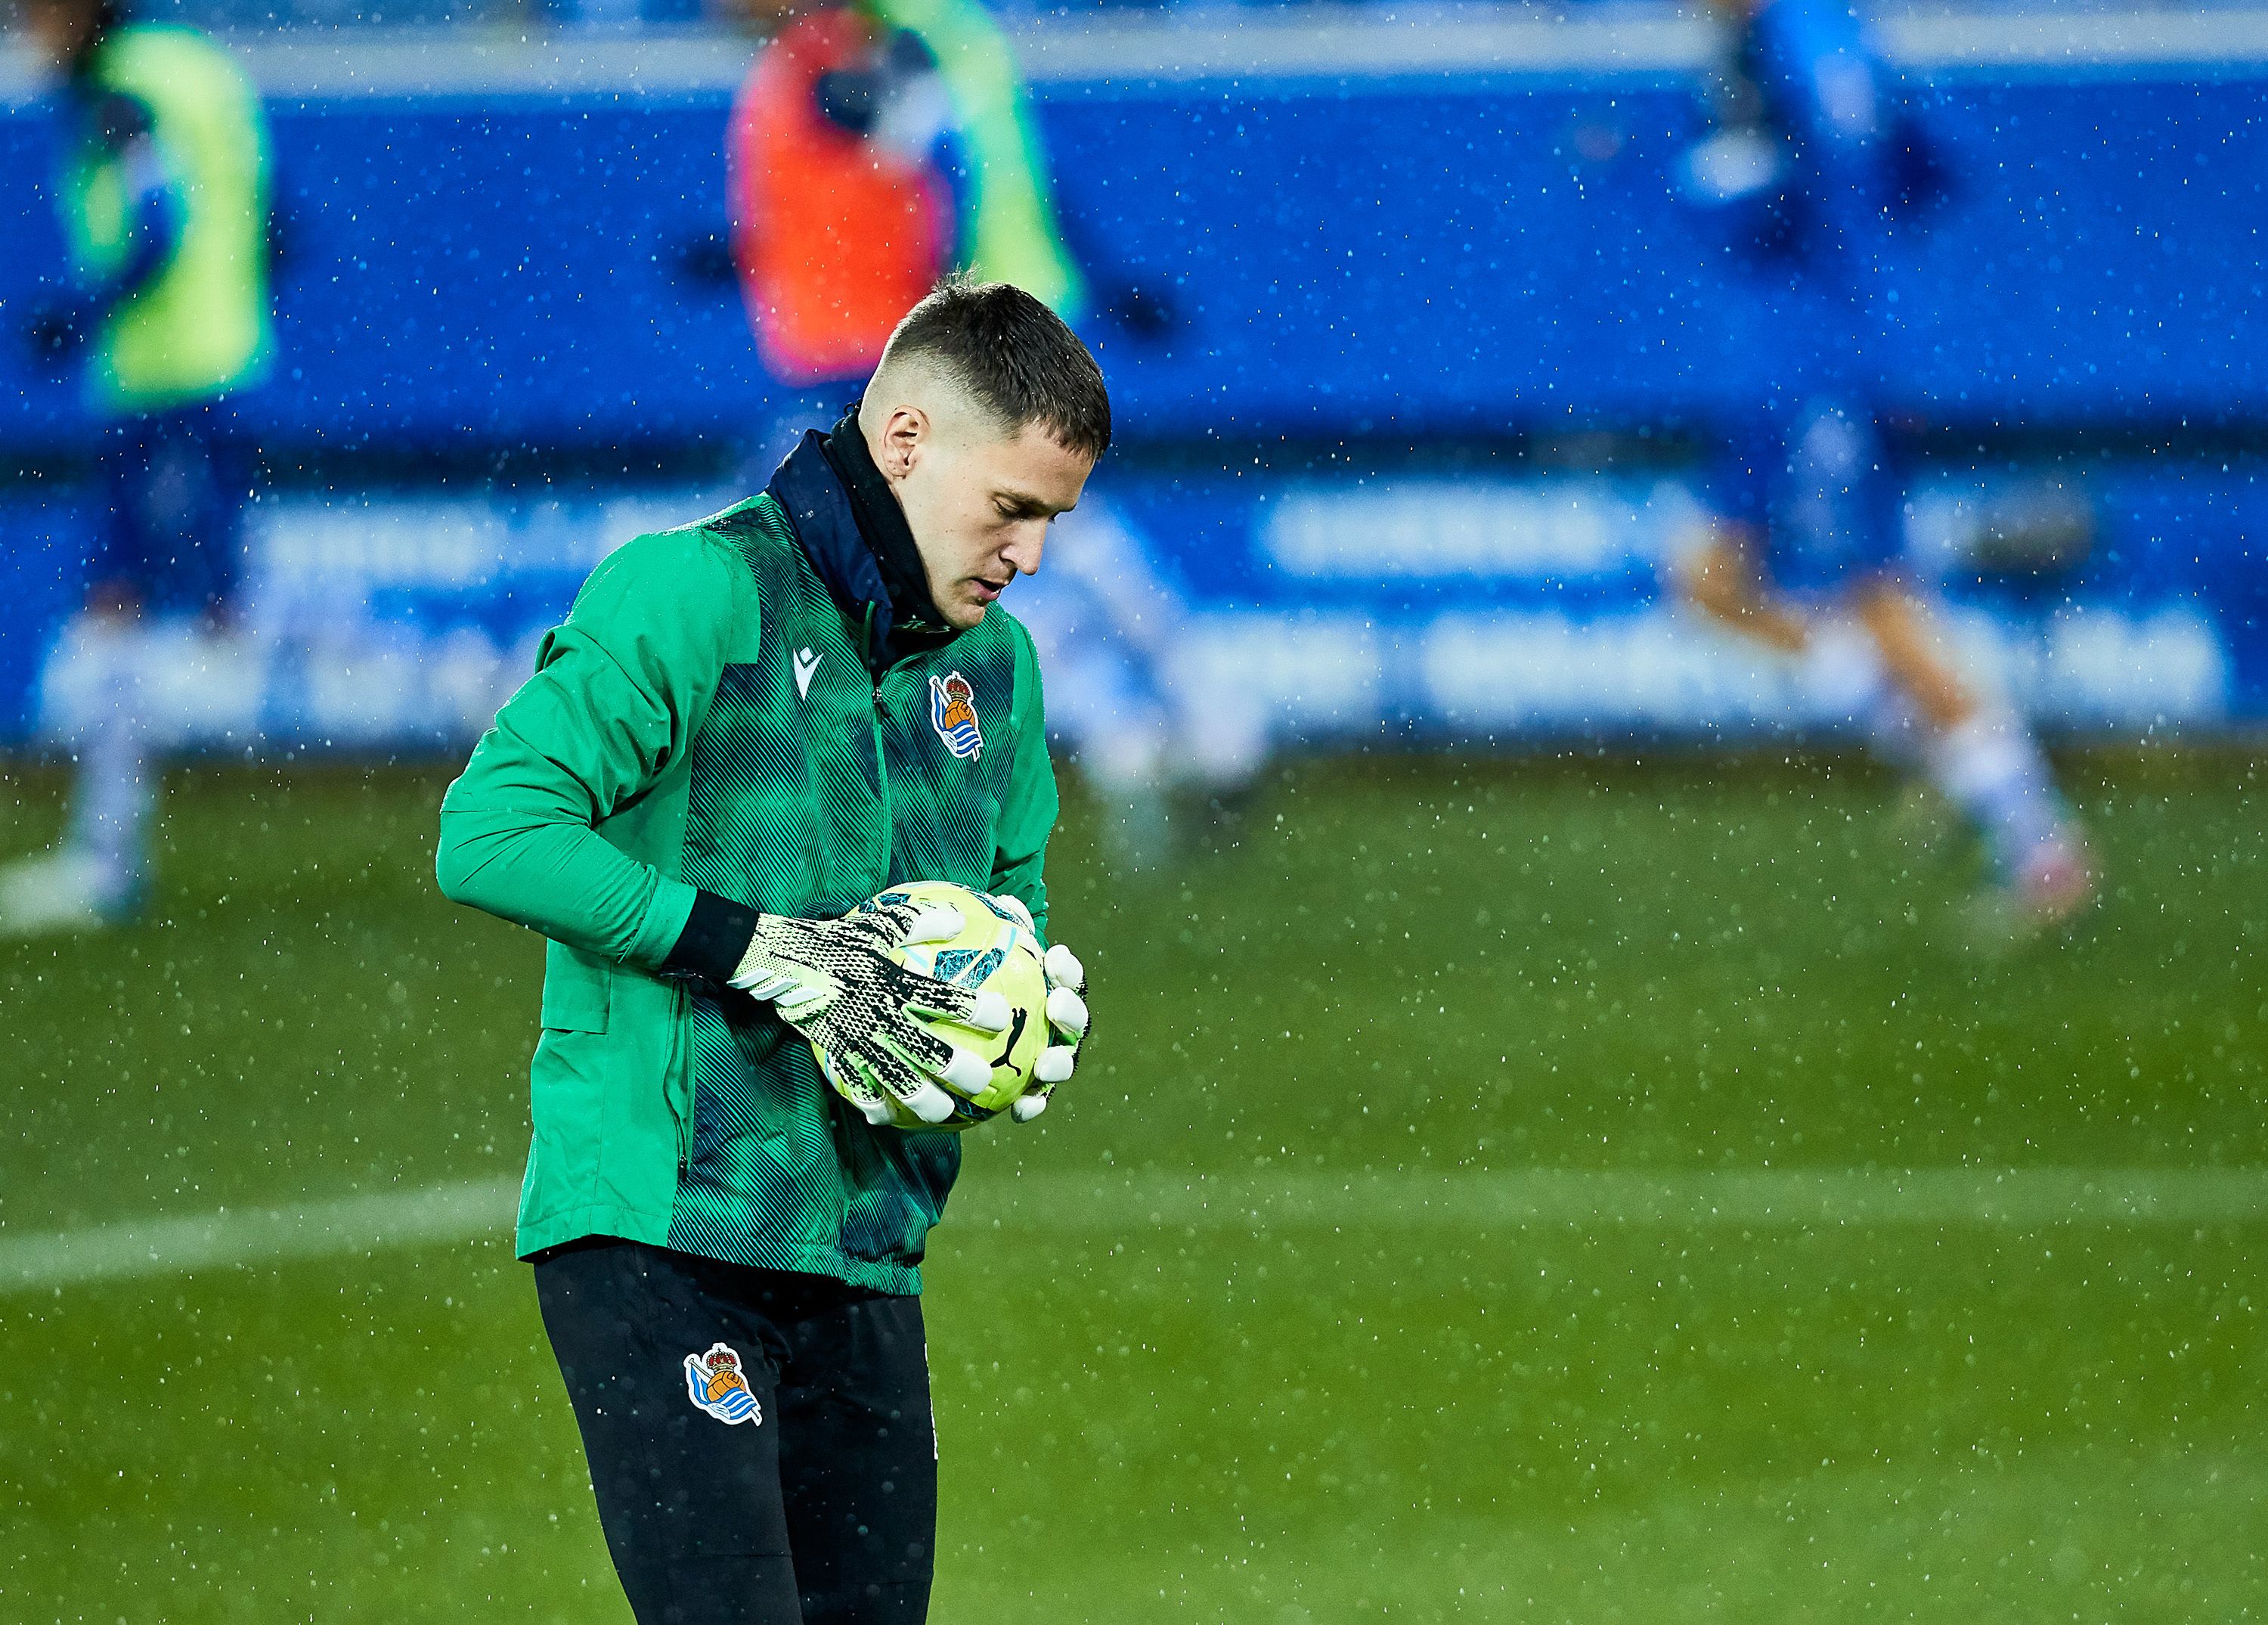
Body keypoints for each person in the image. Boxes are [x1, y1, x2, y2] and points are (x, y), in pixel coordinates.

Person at [434, 278, 1101, 1624]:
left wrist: (1016, 1009)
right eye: (1012, 508)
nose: (1027, 554)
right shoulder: (696, 591)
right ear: (905, 440)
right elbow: (491, 832)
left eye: (1052, 520)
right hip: (662, 1226)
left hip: (863, 1246)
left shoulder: (1001, 676)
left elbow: (1006, 897)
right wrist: (757, 947)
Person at [1672, 0, 2093, 928]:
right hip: (1807, 360)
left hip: (1815, 364)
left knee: (1874, 596)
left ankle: (2038, 841)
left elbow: (1789, 195)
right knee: (1708, 582)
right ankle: (1941, 753)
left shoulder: (1784, 47)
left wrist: (1749, 205)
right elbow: (1938, 164)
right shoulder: (1831, 36)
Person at [2, 0, 271, 935]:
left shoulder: (123, 87)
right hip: (209, 370)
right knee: (148, 610)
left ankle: (106, 862)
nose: (29, 31)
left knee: (156, 621)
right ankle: (104, 857)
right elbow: (271, 219)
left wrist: (86, 309)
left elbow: (157, 218)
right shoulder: (196, 65)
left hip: (166, 386)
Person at [723, 0, 1085, 464]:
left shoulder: (859, 42)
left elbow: (991, 175)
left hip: (881, 332)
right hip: (870, 333)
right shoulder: (836, 52)